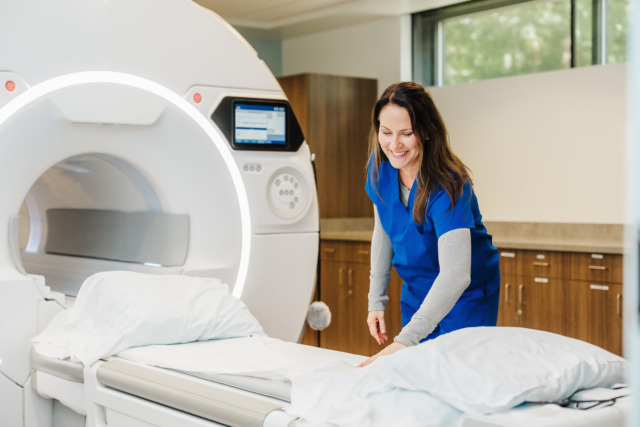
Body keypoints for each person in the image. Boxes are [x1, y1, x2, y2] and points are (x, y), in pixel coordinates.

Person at [359, 82, 500, 367]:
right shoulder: (380, 167)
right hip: (417, 290)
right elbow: (384, 233)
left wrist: (405, 340)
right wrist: (376, 299)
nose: (394, 145)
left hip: (465, 297)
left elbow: (457, 274)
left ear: (424, 131)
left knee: (458, 376)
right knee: (418, 375)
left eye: (406, 134)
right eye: (386, 132)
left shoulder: (448, 185)